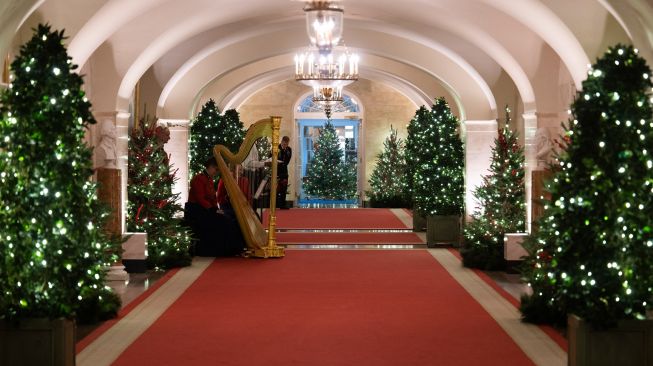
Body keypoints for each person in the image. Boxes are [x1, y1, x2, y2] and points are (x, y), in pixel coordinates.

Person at [185, 157, 245, 257]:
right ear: (211, 167)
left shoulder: (209, 179)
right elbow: (200, 199)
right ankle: (225, 250)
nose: (216, 172)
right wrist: (213, 210)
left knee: (230, 219)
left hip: (206, 209)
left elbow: (213, 198)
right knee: (225, 221)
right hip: (197, 211)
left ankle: (233, 248)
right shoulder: (198, 178)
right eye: (216, 170)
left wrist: (216, 209)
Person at [277, 136, 292, 209]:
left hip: (284, 171)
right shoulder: (276, 148)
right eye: (284, 143)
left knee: (284, 188)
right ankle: (276, 204)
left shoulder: (289, 149)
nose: (285, 145)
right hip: (277, 171)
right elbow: (271, 157)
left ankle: (282, 205)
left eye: (287, 144)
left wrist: (285, 150)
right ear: (282, 141)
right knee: (277, 188)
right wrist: (282, 150)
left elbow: (287, 160)